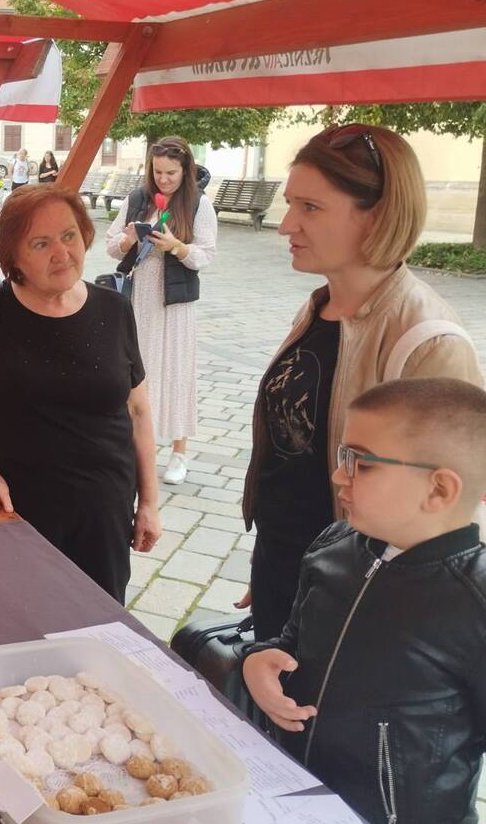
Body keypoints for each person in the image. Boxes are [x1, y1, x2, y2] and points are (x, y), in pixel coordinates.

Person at [238, 123, 482, 640]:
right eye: (290, 204)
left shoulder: (428, 341)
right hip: (289, 567)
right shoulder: (320, 309)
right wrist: (276, 566)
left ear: (377, 215)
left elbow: (446, 519)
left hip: (356, 600)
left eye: (310, 207)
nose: (286, 225)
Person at [242, 378, 486, 824]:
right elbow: (292, 642)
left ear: (438, 490)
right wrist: (259, 661)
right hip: (291, 793)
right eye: (343, 455)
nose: (339, 474)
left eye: (362, 463)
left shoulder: (473, 603)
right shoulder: (334, 545)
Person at [0, 185, 161, 602]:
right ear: (14, 256)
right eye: (40, 244)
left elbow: (138, 411)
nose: (62, 253)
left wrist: (148, 502)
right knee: (13, 617)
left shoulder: (115, 310)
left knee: (97, 621)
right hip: (12, 508)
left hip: (102, 513)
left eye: (69, 235)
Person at [105, 137, 217, 486]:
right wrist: (127, 240)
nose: (164, 179)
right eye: (158, 172)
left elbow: (205, 255)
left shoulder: (198, 204)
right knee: (138, 372)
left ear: (186, 170)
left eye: (171, 172)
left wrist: (177, 246)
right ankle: (138, 448)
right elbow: (111, 244)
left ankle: (179, 453)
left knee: (176, 371)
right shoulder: (137, 199)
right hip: (139, 298)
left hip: (175, 303)